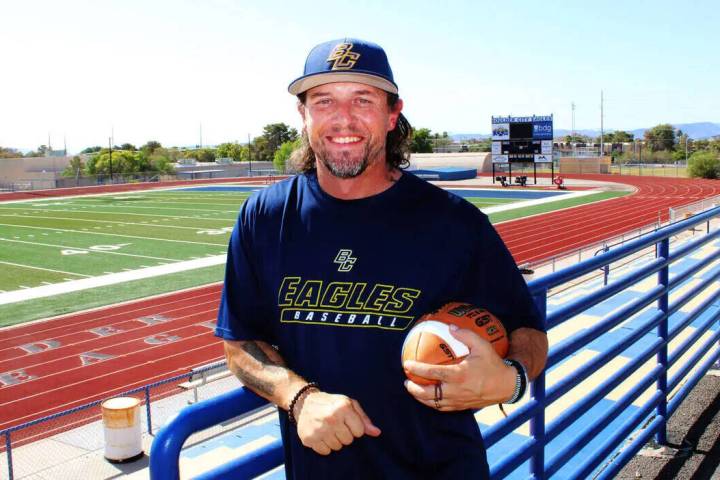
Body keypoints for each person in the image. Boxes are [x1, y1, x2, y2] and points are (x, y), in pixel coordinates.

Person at [215, 38, 548, 479]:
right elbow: (239, 345)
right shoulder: (265, 217)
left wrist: (510, 379)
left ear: (393, 114)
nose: (343, 118)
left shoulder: (454, 223)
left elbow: (529, 333)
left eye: (363, 100)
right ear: (303, 115)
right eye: (324, 100)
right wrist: (299, 397)